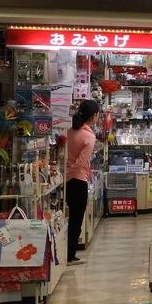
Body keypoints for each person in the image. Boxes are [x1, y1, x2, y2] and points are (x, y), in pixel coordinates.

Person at [65, 99, 99, 266]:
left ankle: (67, 252)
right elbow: (80, 162)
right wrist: (70, 173)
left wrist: (64, 175)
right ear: (94, 116)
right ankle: (70, 255)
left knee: (70, 216)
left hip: (68, 181)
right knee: (76, 219)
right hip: (78, 180)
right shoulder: (89, 136)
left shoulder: (70, 131)